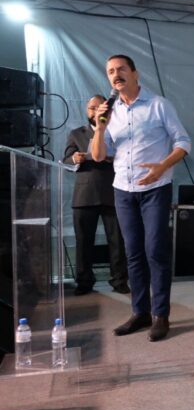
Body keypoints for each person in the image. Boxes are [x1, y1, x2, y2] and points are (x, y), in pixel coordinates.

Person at [92, 54, 192, 342]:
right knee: (133, 253)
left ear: (135, 73)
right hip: (123, 190)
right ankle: (140, 312)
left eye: (121, 69)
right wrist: (100, 127)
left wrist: (162, 165)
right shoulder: (110, 112)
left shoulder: (159, 105)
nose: (116, 74)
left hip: (156, 188)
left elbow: (183, 141)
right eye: (110, 71)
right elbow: (98, 155)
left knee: (155, 250)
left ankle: (160, 315)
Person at [64, 95, 129, 296]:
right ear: (87, 111)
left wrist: (113, 158)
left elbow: (129, 156)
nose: (94, 111)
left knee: (118, 241)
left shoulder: (118, 131)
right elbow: (65, 160)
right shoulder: (77, 133)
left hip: (114, 192)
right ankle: (84, 282)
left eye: (99, 107)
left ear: (107, 109)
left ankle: (119, 280)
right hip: (84, 195)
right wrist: (74, 159)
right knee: (84, 241)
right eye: (91, 107)